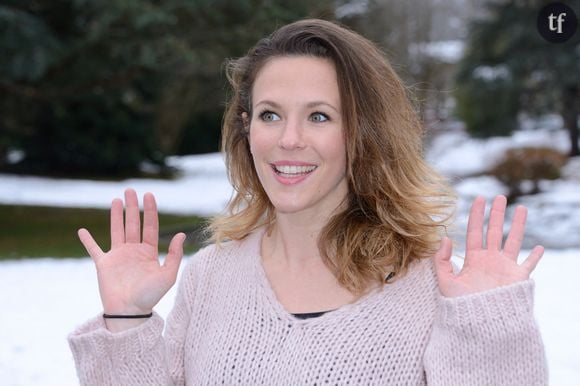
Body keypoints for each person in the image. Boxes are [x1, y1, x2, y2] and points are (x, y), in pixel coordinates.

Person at [68, 19, 548, 385]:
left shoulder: (436, 289)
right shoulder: (211, 275)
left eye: (319, 116)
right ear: (246, 126)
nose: (289, 140)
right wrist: (127, 322)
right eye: (270, 114)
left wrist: (490, 334)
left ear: (364, 132)